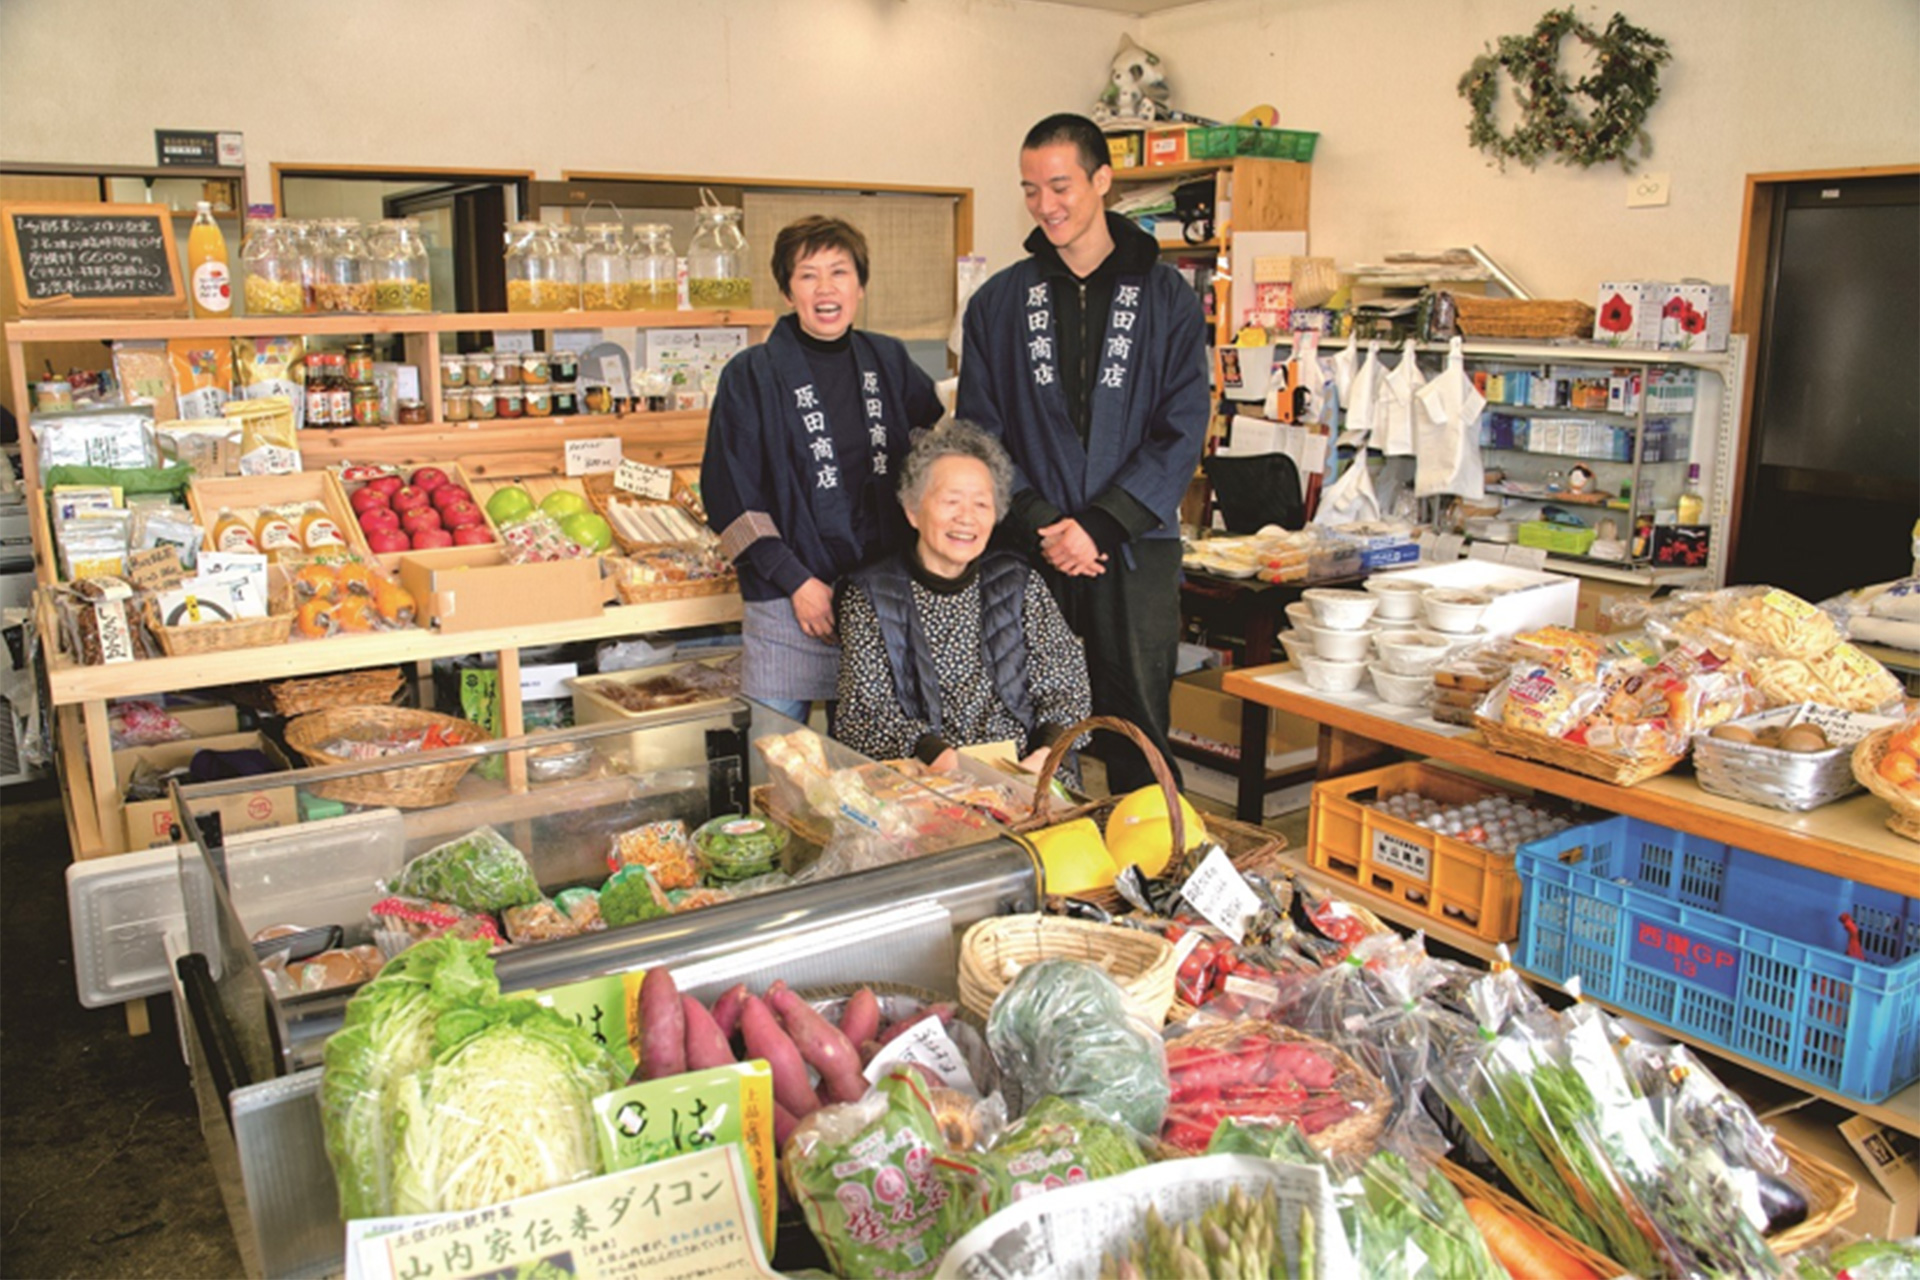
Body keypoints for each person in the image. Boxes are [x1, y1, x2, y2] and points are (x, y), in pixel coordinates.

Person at [956, 111, 1210, 792]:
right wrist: (1043, 523)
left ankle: (1154, 872)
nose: (1046, 205)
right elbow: (981, 437)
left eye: (1060, 186)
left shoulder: (1167, 300)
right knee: (1027, 729)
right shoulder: (998, 304)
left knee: (1137, 731)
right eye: (1031, 189)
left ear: (1103, 180)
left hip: (1132, 548)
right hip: (1030, 550)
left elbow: (1182, 426)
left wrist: (1098, 524)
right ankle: (1042, 875)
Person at [702, 216, 946, 723]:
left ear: (860, 286)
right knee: (779, 767)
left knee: (873, 769)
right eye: (807, 275)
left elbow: (932, 453)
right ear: (788, 292)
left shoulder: (889, 359)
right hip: (787, 598)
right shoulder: (750, 376)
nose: (825, 288)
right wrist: (798, 582)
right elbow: (731, 497)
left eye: (839, 272)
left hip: (881, 597)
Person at [835, 420, 1091, 774]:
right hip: (925, 779)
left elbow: (1068, 686)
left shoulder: (1019, 582)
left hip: (1029, 773)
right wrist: (943, 761)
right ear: (912, 510)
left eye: (982, 504)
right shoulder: (869, 596)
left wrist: (1043, 757)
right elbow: (863, 716)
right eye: (951, 501)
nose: (966, 518)